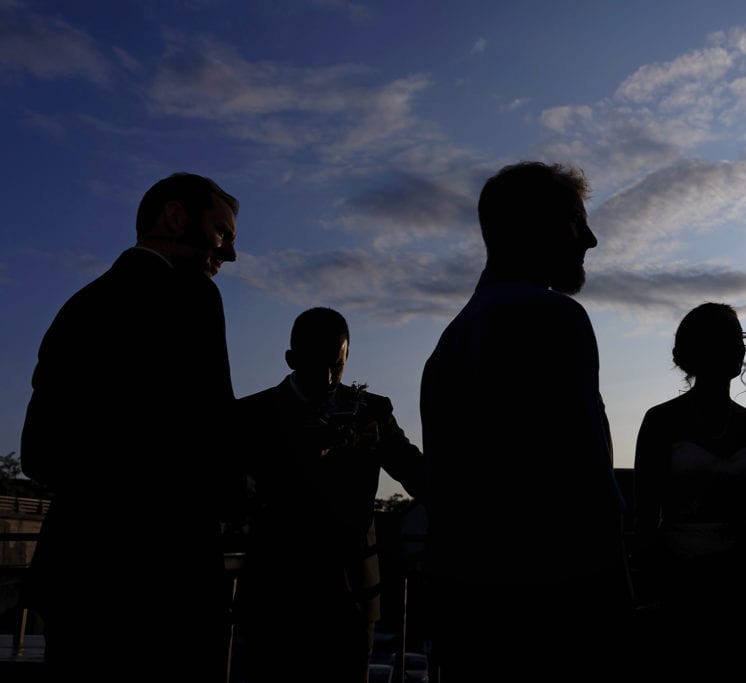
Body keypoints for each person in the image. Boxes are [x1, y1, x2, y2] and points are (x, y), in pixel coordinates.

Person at [419, 161, 633, 683]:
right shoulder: (551, 316)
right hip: (552, 621)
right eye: (576, 223)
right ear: (540, 229)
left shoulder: (448, 344)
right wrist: (620, 607)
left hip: (474, 619)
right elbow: (585, 485)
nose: (591, 239)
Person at [20, 172, 239, 682]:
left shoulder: (78, 307)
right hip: (165, 584)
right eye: (222, 233)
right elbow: (216, 435)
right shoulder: (195, 298)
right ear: (175, 217)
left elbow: (38, 452)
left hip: (77, 577)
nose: (228, 254)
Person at [233, 306, 426, 683]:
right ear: (290, 359)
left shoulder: (372, 410)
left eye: (336, 365)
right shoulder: (251, 416)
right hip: (277, 600)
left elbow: (416, 473)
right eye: (316, 362)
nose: (327, 376)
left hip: (352, 600)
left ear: (348, 357)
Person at [632, 302, 746, 682]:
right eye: (731, 339)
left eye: (741, 339)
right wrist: (647, 593)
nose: (740, 348)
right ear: (699, 350)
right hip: (680, 588)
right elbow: (644, 516)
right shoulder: (660, 422)